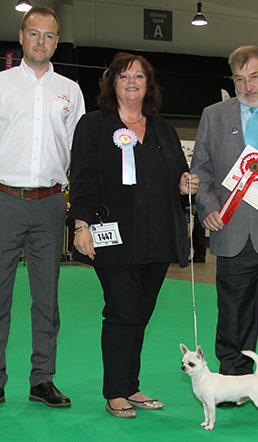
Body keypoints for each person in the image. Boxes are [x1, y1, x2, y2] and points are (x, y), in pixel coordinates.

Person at [67, 52, 199, 418]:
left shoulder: (164, 130)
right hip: (113, 237)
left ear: (148, 85)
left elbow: (179, 179)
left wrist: (187, 184)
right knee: (122, 311)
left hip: (157, 238)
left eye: (139, 77)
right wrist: (81, 225)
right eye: (123, 76)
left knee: (140, 313)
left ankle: (132, 386)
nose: (131, 82)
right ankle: (115, 391)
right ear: (111, 82)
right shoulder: (93, 126)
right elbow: (82, 180)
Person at [191, 45, 258, 410]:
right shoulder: (213, 115)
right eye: (239, 79)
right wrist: (206, 206)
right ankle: (234, 381)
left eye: (254, 76)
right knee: (233, 315)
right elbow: (201, 170)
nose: (248, 85)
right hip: (231, 230)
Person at [0, 6, 85, 407]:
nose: (41, 42)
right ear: (20, 37)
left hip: (50, 204)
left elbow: (76, 151)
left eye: (49, 36)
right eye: (34, 34)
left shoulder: (70, 90)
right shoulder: (1, 84)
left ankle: (42, 379)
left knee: (47, 300)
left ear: (56, 40)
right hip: (4, 200)